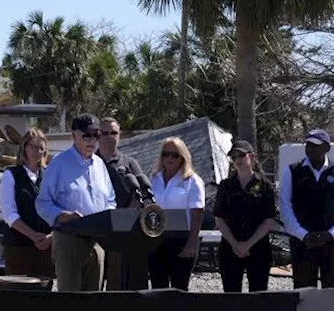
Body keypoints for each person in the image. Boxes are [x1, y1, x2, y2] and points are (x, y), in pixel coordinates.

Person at [35, 114, 116, 292]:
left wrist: (106, 218)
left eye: (97, 135)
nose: (92, 140)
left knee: (94, 299)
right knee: (70, 301)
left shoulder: (100, 165)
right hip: (69, 239)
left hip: (97, 241)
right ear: (74, 136)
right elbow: (42, 202)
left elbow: (110, 199)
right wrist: (61, 216)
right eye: (87, 135)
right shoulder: (59, 163)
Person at [279, 129, 334, 289]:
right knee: (304, 294)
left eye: (315, 145)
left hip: (333, 244)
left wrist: (330, 234)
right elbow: (285, 207)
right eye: (308, 145)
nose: (310, 149)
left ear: (327, 148)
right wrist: (303, 235)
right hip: (303, 243)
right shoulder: (292, 171)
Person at [211, 140, 280, 293]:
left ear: (252, 156)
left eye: (241, 155)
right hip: (230, 247)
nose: (238, 160)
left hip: (258, 248)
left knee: (258, 295)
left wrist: (247, 244)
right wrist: (236, 244)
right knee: (231, 294)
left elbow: (269, 219)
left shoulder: (265, 186)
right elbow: (219, 218)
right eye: (234, 157)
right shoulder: (225, 186)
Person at [147, 137, 205, 291]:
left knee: (179, 290)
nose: (170, 158)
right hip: (156, 239)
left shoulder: (192, 181)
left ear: (183, 157)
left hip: (182, 240)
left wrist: (191, 245)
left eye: (175, 155)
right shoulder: (154, 178)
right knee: (158, 288)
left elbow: (197, 214)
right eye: (166, 154)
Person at [0, 128, 54, 280]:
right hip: (18, 246)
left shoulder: (50, 175)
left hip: (46, 247)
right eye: (33, 147)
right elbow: (9, 214)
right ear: (24, 148)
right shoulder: (11, 175)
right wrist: (33, 235)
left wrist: (50, 237)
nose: (37, 152)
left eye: (41, 148)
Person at [97, 117, 145, 208]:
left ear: (119, 135)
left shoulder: (130, 164)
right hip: (96, 219)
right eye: (105, 133)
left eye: (114, 133)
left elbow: (141, 194)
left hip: (125, 219)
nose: (110, 136)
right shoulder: (89, 164)